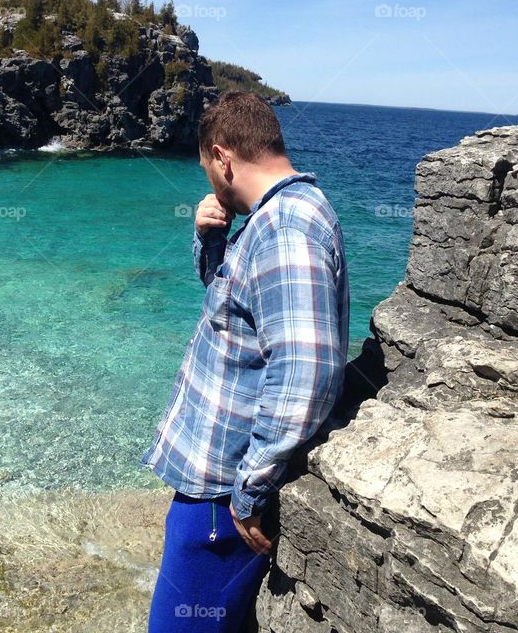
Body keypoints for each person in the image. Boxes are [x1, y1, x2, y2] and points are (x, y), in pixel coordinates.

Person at [140, 91, 350, 631]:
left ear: (222, 157)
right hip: (219, 483)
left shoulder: (285, 229)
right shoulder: (274, 218)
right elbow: (236, 306)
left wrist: (249, 491)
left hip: (224, 491)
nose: (211, 183)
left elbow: (306, 372)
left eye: (208, 170)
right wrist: (211, 239)